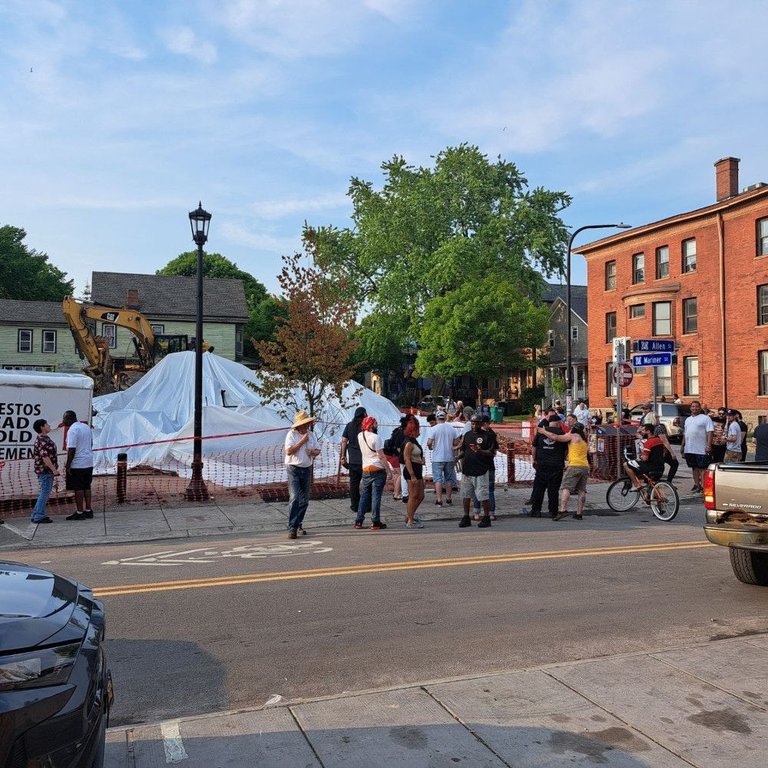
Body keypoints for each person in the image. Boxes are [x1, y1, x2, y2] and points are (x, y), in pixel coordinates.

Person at [537, 421, 589, 521]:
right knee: (582, 490)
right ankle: (579, 513)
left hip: (574, 466)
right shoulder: (584, 439)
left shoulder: (573, 436)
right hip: (584, 466)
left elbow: (556, 437)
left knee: (566, 488)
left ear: (574, 428)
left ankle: (562, 510)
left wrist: (544, 431)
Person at [284, 410, 321, 539]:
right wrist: (302, 441)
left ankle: (298, 522)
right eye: (305, 424)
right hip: (293, 468)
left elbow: (318, 450)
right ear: (299, 425)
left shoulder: (312, 435)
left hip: (306, 468)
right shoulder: (291, 435)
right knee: (295, 497)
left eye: (308, 423)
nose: (307, 426)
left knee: (304, 500)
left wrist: (313, 452)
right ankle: (292, 527)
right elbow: (289, 451)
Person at [355, 416, 393, 530]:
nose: (377, 426)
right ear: (371, 425)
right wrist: (388, 470)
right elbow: (381, 456)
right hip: (377, 468)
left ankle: (359, 521)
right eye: (376, 424)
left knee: (364, 495)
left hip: (366, 468)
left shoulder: (360, 435)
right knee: (376, 495)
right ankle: (375, 521)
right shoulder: (376, 438)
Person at [458, 415, 495, 529]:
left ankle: (486, 517)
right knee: (466, 494)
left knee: (483, 495)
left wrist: (480, 450)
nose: (474, 426)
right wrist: (457, 458)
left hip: (481, 470)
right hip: (467, 470)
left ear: (481, 424)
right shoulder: (467, 435)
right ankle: (466, 517)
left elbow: (492, 453)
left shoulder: (487, 436)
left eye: (476, 423)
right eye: (472, 423)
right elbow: (465, 450)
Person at [529, 412, 567, 518]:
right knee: (553, 490)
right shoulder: (561, 433)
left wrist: (534, 459)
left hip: (542, 464)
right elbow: (565, 450)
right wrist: (562, 460)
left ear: (549, 422)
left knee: (539, 488)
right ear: (558, 423)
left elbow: (534, 447)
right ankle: (553, 511)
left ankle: (536, 510)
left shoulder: (541, 432)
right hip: (556, 465)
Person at [62, 410, 95, 521]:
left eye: (65, 419)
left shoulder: (73, 430)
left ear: (70, 418)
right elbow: (91, 443)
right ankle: (88, 510)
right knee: (87, 486)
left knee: (78, 488)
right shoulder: (86, 427)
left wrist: (68, 465)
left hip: (78, 463)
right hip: (88, 461)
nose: (63, 421)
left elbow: (72, 449)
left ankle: (80, 512)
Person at [427, 411, 460, 506]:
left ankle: (439, 500)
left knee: (438, 479)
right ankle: (449, 499)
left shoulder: (434, 429)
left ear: (437, 419)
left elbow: (429, 443)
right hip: (449, 457)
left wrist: (430, 447)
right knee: (448, 479)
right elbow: (456, 442)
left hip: (437, 457)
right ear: (445, 418)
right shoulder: (452, 428)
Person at [680, 400, 713, 494]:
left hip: (701, 448)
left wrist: (709, 445)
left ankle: (703, 486)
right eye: (693, 406)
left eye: (696, 406)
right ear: (690, 408)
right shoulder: (688, 419)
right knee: (694, 468)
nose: (695, 408)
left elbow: (710, 432)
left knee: (702, 468)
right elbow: (685, 434)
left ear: (700, 408)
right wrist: (682, 446)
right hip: (690, 448)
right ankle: (696, 485)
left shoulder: (705, 418)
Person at [340, 407, 368, 516]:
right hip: (364, 459)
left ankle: (354, 505)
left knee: (354, 484)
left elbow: (343, 441)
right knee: (367, 484)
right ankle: (367, 505)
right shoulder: (365, 427)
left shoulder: (349, 425)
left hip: (352, 460)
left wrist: (343, 456)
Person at [31, 418, 59, 524]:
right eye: (47, 424)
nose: (49, 425)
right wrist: (54, 469)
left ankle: (36, 513)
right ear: (42, 427)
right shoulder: (42, 440)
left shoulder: (45, 439)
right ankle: (39, 515)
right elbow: (45, 457)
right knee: (45, 492)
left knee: (44, 492)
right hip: (45, 471)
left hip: (45, 471)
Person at [473, 415, 499, 521]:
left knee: (477, 489)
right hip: (489, 465)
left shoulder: (474, 434)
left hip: (478, 465)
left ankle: (476, 513)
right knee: (490, 490)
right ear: (485, 423)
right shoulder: (491, 434)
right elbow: (494, 452)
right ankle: (491, 513)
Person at [624, 423, 665, 488]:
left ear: (648, 431)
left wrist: (641, 456)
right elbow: (664, 453)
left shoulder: (648, 442)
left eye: (643, 430)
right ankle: (654, 496)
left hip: (650, 467)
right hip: (661, 467)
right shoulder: (659, 440)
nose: (641, 432)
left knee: (626, 464)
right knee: (651, 489)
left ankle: (636, 485)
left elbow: (645, 458)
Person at [401, 416, 425, 528]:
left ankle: (410, 515)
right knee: (413, 496)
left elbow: (414, 457)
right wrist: (412, 475)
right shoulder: (408, 443)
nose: (419, 432)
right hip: (412, 472)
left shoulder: (414, 441)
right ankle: (410, 520)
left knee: (420, 496)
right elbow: (406, 459)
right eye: (417, 430)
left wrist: (420, 460)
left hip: (418, 470)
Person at [653, 415, 679, 482]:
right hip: (662, 450)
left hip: (653, 450)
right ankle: (668, 481)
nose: (658, 419)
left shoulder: (648, 427)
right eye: (657, 418)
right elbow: (664, 441)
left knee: (659, 466)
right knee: (674, 463)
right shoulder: (659, 428)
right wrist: (672, 453)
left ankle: (655, 481)